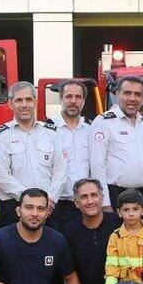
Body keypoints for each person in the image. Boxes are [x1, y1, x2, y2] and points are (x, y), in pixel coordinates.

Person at [0, 81, 66, 227]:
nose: (24, 104)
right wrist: (29, 201)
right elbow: (0, 176)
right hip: (14, 208)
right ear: (11, 104)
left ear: (35, 102)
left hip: (48, 208)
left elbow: (60, 170)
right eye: (19, 100)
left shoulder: (51, 132)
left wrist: (49, 200)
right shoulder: (1, 135)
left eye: (29, 100)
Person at [62, 178, 120, 284]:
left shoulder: (119, 223)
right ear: (76, 202)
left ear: (102, 197)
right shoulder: (69, 231)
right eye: (84, 197)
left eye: (94, 195)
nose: (90, 201)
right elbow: (71, 276)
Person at [89, 75, 143, 224]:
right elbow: (97, 165)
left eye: (137, 94)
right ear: (117, 94)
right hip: (117, 196)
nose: (132, 98)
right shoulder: (103, 122)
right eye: (127, 93)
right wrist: (105, 203)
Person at [52, 80, 92, 231]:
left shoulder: (92, 129)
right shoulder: (48, 129)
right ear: (61, 99)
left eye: (78, 97)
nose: (73, 101)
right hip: (58, 206)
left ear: (83, 101)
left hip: (86, 207)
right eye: (68, 96)